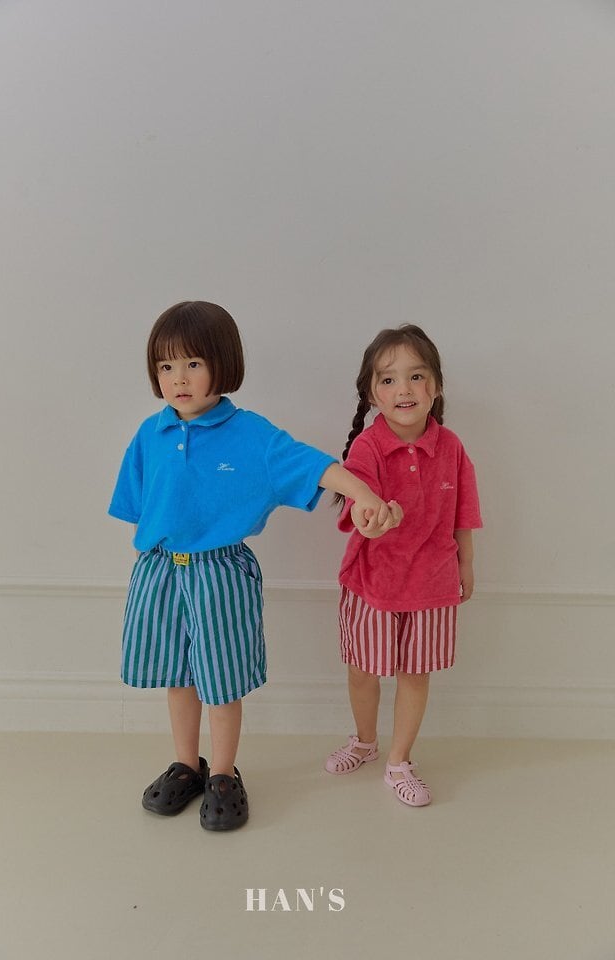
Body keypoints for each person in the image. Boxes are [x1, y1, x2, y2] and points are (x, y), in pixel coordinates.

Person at [108, 300, 401, 831]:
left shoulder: (251, 435)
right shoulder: (150, 435)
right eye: (166, 366)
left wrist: (363, 494)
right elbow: (140, 507)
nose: (179, 378)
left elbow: (313, 465)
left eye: (193, 363)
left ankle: (223, 773)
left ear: (223, 364)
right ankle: (186, 764)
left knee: (221, 680)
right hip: (159, 570)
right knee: (177, 675)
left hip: (219, 573)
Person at [325, 324, 482, 806]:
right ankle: (365, 742)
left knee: (416, 674)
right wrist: (374, 519)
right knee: (362, 670)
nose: (404, 389)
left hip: (432, 583)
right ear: (372, 393)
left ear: (435, 386)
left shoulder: (452, 446)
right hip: (371, 584)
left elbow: (463, 513)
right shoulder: (367, 447)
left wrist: (466, 565)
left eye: (416, 376)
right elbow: (359, 507)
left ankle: (399, 760)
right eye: (389, 379)